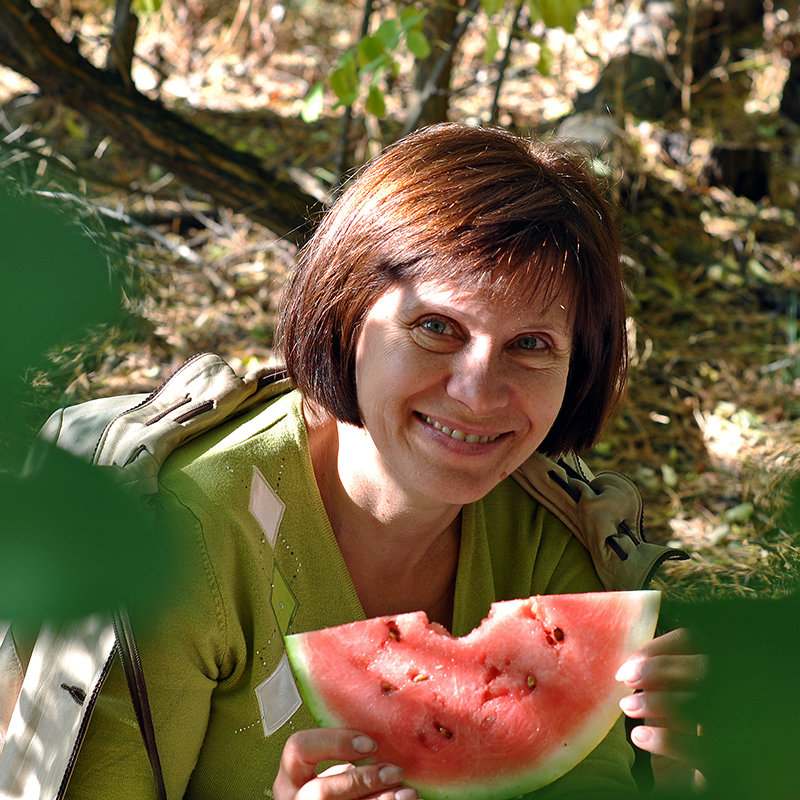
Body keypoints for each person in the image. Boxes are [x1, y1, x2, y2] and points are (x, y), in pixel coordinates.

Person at [59, 123, 702, 799]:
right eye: (436, 328)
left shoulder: (551, 537)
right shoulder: (185, 541)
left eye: (532, 343)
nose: (478, 392)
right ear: (347, 315)